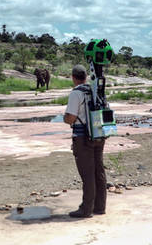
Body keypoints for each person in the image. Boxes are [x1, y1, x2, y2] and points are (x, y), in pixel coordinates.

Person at [64, 64, 106, 218]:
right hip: (99, 135)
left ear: (73, 77)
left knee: (87, 174)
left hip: (82, 138)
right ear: (86, 77)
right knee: (98, 171)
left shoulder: (76, 93)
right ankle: (100, 206)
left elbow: (71, 118)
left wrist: (65, 119)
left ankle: (86, 209)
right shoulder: (94, 90)